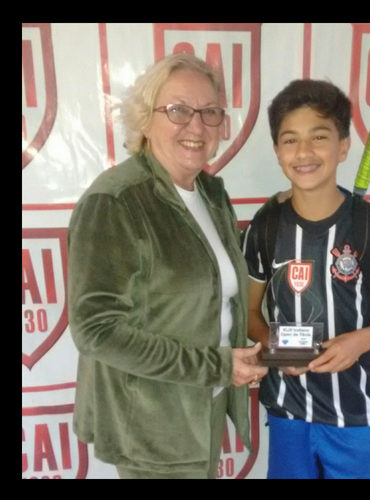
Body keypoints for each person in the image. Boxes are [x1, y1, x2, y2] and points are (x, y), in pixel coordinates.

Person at [68, 53, 268, 479]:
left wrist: (247, 356)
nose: (196, 126)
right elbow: (96, 330)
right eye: (178, 110)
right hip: (150, 428)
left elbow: (219, 300)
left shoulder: (210, 194)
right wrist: (217, 366)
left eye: (209, 112)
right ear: (145, 119)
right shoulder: (116, 201)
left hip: (206, 404)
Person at [242, 79, 370, 479]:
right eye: (290, 140)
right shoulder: (265, 228)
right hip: (288, 410)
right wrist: (277, 349)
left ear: (343, 146)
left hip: (354, 413)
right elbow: (250, 313)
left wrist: (359, 342)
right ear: (277, 151)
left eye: (319, 137)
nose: (304, 152)